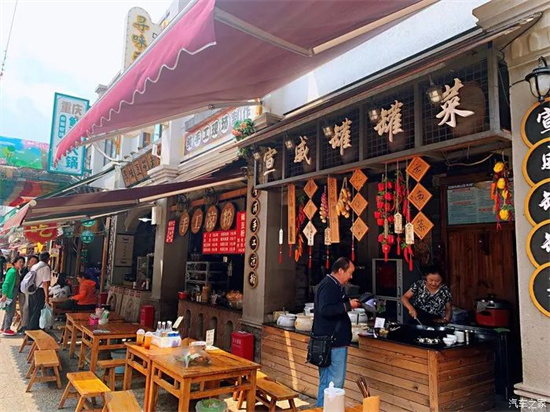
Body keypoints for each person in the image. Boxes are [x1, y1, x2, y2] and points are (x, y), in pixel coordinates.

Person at [312, 257, 361, 407]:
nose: (351, 277)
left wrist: (347, 304)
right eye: (350, 273)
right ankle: (328, 408)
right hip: (333, 343)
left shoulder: (333, 285)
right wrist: (348, 306)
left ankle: (322, 408)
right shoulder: (329, 286)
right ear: (340, 270)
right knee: (334, 383)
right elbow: (325, 310)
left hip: (330, 342)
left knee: (327, 383)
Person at [1, 256, 25, 336]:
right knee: (10, 311)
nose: (21, 264)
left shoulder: (16, 271)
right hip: (10, 294)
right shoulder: (12, 272)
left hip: (12, 293)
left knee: (9, 311)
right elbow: (6, 284)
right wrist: (4, 294)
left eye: (23, 262)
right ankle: (7, 329)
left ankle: (4, 327)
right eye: (20, 262)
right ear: (15, 263)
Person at [28, 252, 51, 330]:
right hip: (40, 291)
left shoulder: (34, 266)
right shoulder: (46, 267)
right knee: (38, 310)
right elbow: (45, 283)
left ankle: (30, 327)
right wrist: (46, 296)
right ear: (48, 259)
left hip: (32, 289)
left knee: (32, 309)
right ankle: (33, 329)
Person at [18, 255, 38, 333]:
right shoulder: (26, 269)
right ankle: (23, 325)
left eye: (35, 262)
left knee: (26, 309)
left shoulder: (35, 270)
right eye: (32, 261)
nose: (33, 263)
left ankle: (24, 325)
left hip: (29, 293)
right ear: (29, 261)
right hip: (22, 292)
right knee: (23, 309)